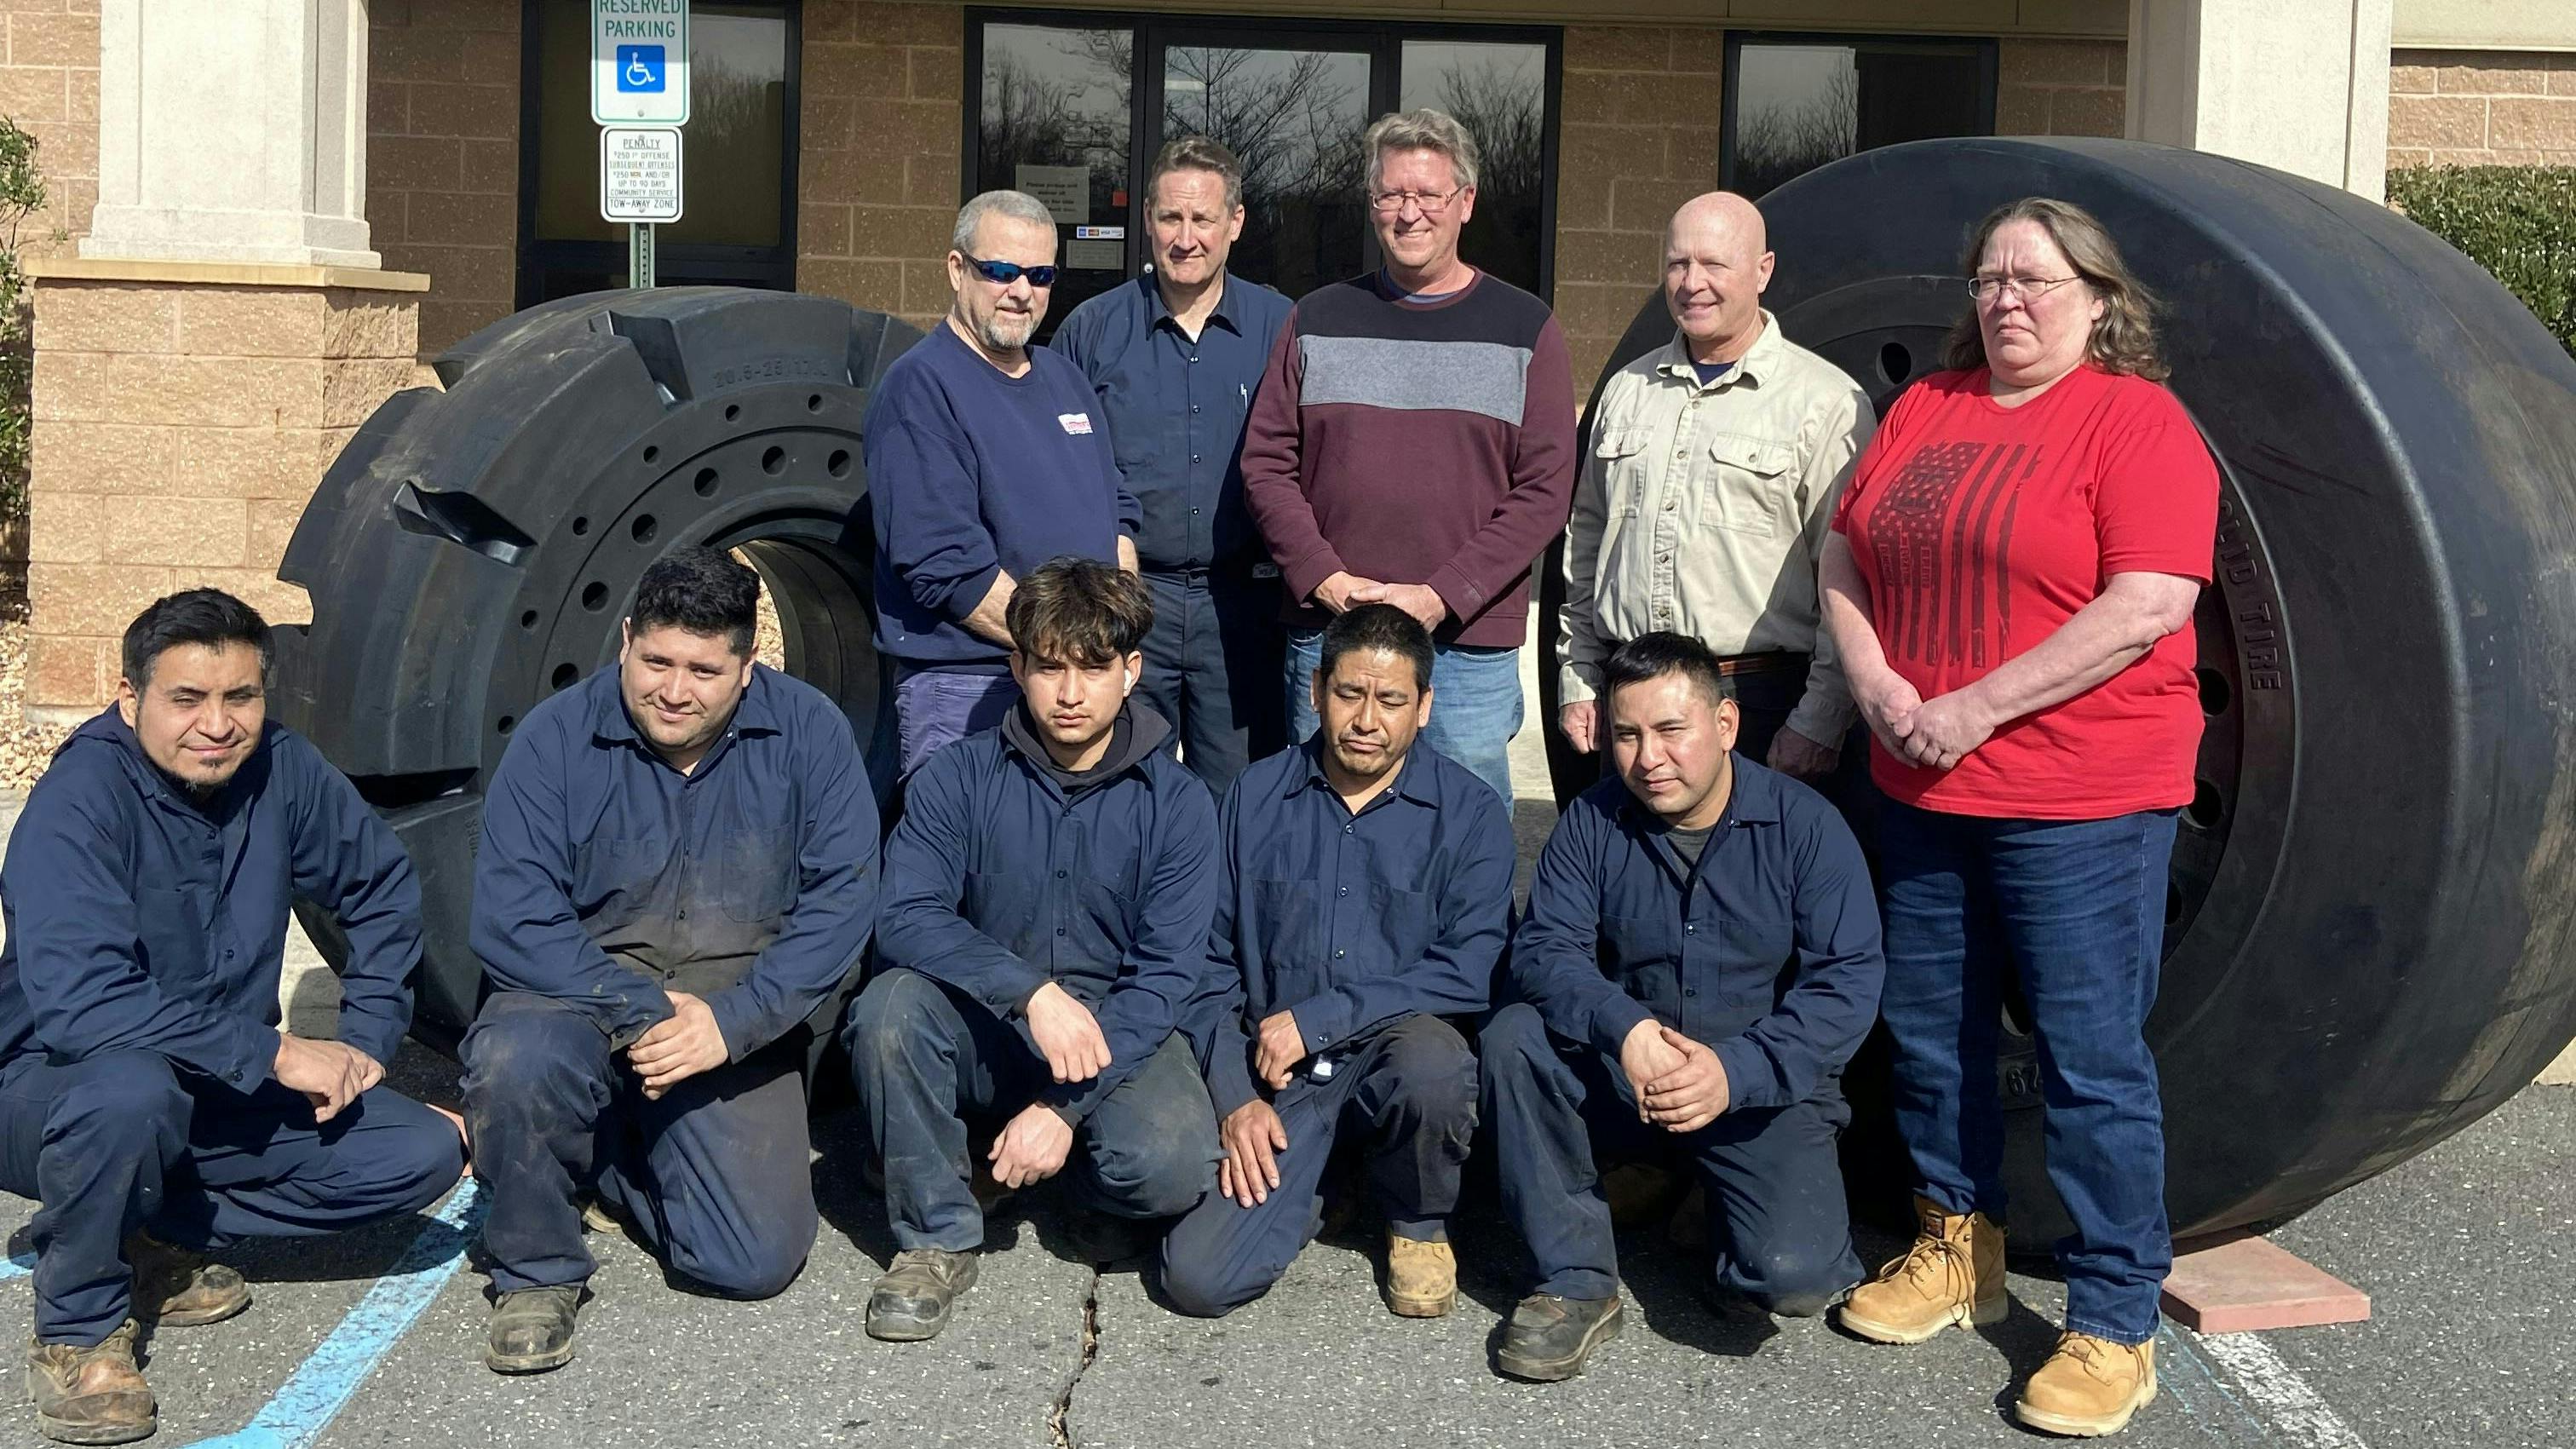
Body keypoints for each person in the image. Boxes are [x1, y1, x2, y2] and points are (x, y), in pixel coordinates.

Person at [1818, 198, 2217, 1438]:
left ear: (2101, 301)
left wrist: (1977, 704)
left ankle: (2112, 1321)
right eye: (1991, 277)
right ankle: (1956, 1245)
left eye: (2037, 280)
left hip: (2080, 800)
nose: (2007, 300)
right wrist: (1881, 685)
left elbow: (2148, 600)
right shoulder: (1927, 407)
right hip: (1925, 786)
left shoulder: (2137, 422)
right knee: (1930, 1032)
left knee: (2089, 1060)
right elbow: (1842, 550)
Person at [0, 590, 464, 1445]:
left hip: (216, 1080)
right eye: (186, 699)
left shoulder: (281, 769)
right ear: (131, 697)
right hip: (54, 1089)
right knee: (130, 1095)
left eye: (239, 698)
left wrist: (363, 1043)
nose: (216, 724)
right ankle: (79, 1332)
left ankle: (140, 1223)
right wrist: (277, 1051)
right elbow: (83, 1005)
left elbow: (381, 889)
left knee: (421, 1152)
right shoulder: (82, 801)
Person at [463, 548, 879, 1374]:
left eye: (703, 670)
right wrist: (643, 1013)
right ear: (624, 640)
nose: (674, 690)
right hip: (572, 991)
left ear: (747, 667)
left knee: (751, 1261)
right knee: (516, 1062)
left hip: (731, 1010)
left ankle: (606, 1157)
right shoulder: (554, 738)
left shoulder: (813, 734)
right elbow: (513, 917)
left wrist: (735, 1022)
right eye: (655, 661)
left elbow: (842, 905)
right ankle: (537, 1273)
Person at [1484, 633, 1883, 1382]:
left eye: (1672, 730)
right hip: (1629, 1075)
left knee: (1793, 1276)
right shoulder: (1593, 821)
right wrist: (1625, 1028)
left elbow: (1846, 985)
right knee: (1515, 1035)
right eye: (1628, 734)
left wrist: (1736, 1072)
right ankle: (1575, 1279)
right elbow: (1544, 951)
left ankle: (1706, 1192)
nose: (1648, 758)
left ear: (1726, 725)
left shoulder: (1808, 829)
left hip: (1754, 1087)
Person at [847, 558, 1222, 1343]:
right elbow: (905, 914)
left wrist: (1062, 1110)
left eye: (1094, 667)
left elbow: (1164, 980)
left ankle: (1051, 1171)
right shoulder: (958, 775)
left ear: (1133, 671)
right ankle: (935, 1237)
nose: (1071, 691)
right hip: (996, 1022)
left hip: (1117, 1030)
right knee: (888, 1012)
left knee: (1171, 1165)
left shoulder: (1181, 805)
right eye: (1049, 666)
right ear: (1017, 666)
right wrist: (1030, 993)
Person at [1160, 604, 1515, 1320]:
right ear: (1317, 688)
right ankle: (1325, 1181)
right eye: (1350, 693)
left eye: (1391, 700)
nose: (1366, 719)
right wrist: (1235, 1098)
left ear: (1424, 707)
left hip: (1394, 1059)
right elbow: (1206, 963)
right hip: (1280, 1076)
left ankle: (1416, 1218)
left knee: (1434, 1065)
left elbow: (1472, 964)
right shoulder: (1254, 797)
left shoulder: (1471, 813)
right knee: (1194, 1278)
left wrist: (1323, 1018)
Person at [1241, 108, 1578, 806]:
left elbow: (1545, 490)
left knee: (1464, 827)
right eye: (1393, 195)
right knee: (1324, 818)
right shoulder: (1317, 317)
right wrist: (1324, 578)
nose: (1410, 213)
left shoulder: (1527, 329)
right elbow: (1266, 463)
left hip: (1466, 644)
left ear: (1466, 203)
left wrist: (1442, 594)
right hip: (1332, 629)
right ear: (1372, 206)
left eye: (1429, 195)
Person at [1557, 193, 1875, 783]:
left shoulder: (1827, 403)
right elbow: (1586, 546)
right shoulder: (1627, 389)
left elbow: (1847, 577)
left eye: (1713, 265)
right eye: (1677, 264)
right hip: (1630, 694)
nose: (1691, 282)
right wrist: (1578, 674)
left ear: (1763, 270)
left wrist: (1820, 718)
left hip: (1756, 702)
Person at [865, 189, 1142, 778]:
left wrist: (1109, 640)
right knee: (975, 867)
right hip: (973, 690)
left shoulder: (1065, 378)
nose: (1022, 291)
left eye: (1040, 274)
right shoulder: (921, 386)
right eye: (1001, 271)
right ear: (957, 269)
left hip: (1078, 685)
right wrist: (1071, 649)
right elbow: (945, 564)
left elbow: (1116, 509)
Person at [1054, 135, 1295, 794]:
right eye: (1169, 218)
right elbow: (1064, 467)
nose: (1185, 238)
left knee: (1240, 798)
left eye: (1203, 219)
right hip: (1129, 600)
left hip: (1244, 608)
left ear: (1235, 224)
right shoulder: (1092, 330)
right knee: (1126, 791)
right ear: (1148, 221)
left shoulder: (1283, 328)